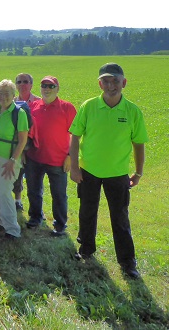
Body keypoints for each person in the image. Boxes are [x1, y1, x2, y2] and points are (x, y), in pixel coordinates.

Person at [70, 63, 147, 279]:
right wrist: (74, 167)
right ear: (99, 83)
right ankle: (86, 250)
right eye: (106, 81)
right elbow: (75, 137)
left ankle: (127, 262)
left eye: (115, 81)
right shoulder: (88, 106)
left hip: (118, 174)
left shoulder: (132, 111)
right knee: (87, 212)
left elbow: (139, 144)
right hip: (89, 172)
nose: (110, 85)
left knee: (120, 218)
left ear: (124, 82)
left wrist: (138, 173)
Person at [24, 76, 76, 236]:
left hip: (58, 160)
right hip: (34, 158)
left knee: (59, 194)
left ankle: (60, 224)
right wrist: (24, 152)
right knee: (33, 190)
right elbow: (26, 132)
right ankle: (35, 217)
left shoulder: (67, 108)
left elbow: (76, 134)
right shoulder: (32, 106)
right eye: (43, 86)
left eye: (50, 86)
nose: (46, 89)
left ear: (57, 89)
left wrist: (70, 156)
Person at [0, 79, 28, 239]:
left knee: (4, 191)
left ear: (14, 95)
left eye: (7, 94)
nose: (3, 97)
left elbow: (22, 140)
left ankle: (12, 229)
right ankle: (0, 220)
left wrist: (12, 160)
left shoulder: (19, 113)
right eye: (0, 93)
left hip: (8, 158)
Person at [12, 73, 41, 210]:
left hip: (35, 148)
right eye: (19, 82)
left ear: (31, 84)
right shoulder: (11, 102)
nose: (22, 85)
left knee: (34, 179)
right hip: (18, 145)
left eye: (25, 82)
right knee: (17, 175)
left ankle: (35, 209)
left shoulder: (39, 102)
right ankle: (18, 201)